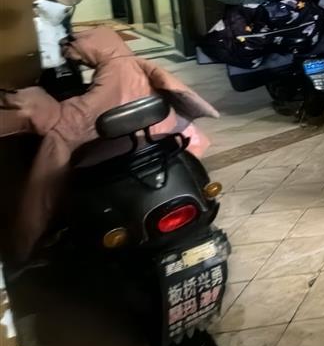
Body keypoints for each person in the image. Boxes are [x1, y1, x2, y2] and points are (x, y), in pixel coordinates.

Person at [1, 27, 217, 261]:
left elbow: (76, 119)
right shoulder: (132, 66)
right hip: (157, 144)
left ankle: (27, 250)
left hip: (119, 154)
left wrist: (32, 100)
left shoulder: (109, 79)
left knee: (43, 190)